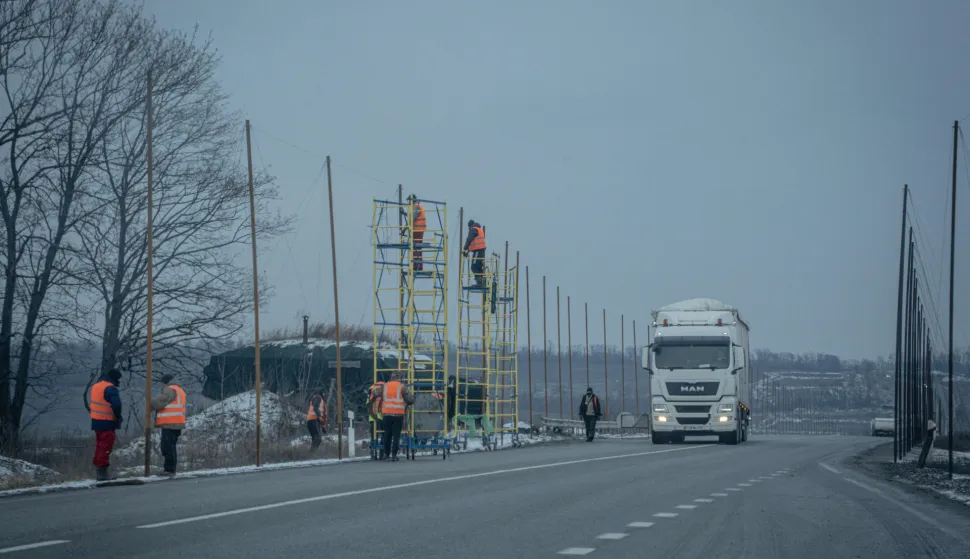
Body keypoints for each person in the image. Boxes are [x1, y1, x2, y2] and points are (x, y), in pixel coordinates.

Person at [89, 368, 123, 481]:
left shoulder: (96, 386)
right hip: (107, 421)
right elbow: (116, 405)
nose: (119, 381)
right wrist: (118, 417)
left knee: (100, 446)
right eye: (118, 379)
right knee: (106, 446)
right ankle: (102, 473)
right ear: (115, 378)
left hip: (96, 421)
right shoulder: (110, 388)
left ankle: (100, 470)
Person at [151, 373, 186, 477]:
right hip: (178, 422)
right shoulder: (180, 390)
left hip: (169, 422)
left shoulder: (170, 389)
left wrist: (150, 404)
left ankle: (169, 470)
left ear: (165, 382)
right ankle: (171, 469)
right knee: (172, 446)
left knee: (167, 447)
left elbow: (160, 402)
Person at [381, 371, 412, 462]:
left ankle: (386, 454)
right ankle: (394, 455)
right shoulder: (402, 387)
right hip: (398, 415)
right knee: (396, 436)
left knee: (387, 435)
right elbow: (410, 400)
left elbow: (375, 393)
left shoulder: (385, 386)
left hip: (386, 414)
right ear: (400, 378)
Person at [401, 194, 427, 271]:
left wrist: (403, 230)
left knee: (416, 248)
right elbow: (411, 216)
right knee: (416, 248)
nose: (407, 202)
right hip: (417, 230)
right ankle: (417, 266)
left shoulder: (416, 206)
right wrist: (404, 213)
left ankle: (417, 266)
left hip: (417, 230)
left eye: (408, 200)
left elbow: (411, 219)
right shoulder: (416, 206)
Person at [462, 220, 486, 287]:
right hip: (481, 251)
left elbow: (469, 239)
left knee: (474, 267)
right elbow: (474, 243)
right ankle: (482, 281)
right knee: (478, 267)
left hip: (478, 252)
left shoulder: (473, 229)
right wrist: (467, 251)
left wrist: (464, 248)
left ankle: (479, 282)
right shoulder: (479, 229)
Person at [367, 381, 386, 460]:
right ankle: (383, 453)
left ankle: (373, 453)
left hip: (373, 417)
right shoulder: (386, 388)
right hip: (383, 417)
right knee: (384, 435)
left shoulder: (371, 389)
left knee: (373, 437)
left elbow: (368, 403)